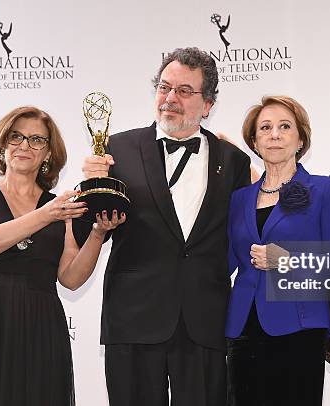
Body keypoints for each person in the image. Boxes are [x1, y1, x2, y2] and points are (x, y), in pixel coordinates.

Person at [78, 47, 251, 406]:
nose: (170, 98)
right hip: (134, 320)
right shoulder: (115, 149)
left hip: (204, 321)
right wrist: (89, 189)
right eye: (164, 87)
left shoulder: (234, 161)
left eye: (184, 91)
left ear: (208, 104)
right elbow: (88, 230)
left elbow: (249, 232)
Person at [0, 106, 121, 405]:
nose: (24, 145)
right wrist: (46, 215)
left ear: (48, 153)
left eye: (36, 140)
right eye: (16, 136)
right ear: (2, 144)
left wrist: (97, 234)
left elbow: (70, 279)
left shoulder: (63, 208)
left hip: (38, 326)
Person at [224, 96, 330, 406]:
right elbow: (223, 261)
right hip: (243, 326)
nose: (275, 134)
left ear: (300, 139)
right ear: (254, 141)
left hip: (299, 324)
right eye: (265, 128)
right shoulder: (239, 198)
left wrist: (289, 260)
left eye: (285, 126)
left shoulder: (324, 190)